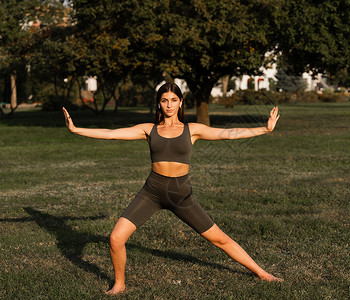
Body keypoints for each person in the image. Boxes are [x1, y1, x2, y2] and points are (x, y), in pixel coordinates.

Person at [62, 82, 282, 295]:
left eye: (173, 100)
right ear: (159, 103)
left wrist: (264, 128)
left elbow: (228, 133)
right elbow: (112, 133)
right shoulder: (148, 129)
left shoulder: (192, 129)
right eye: (164, 100)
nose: (169, 105)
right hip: (152, 192)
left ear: (180, 103)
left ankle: (263, 274)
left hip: (181, 195)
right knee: (115, 238)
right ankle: (119, 284)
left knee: (220, 239)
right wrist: (75, 129)